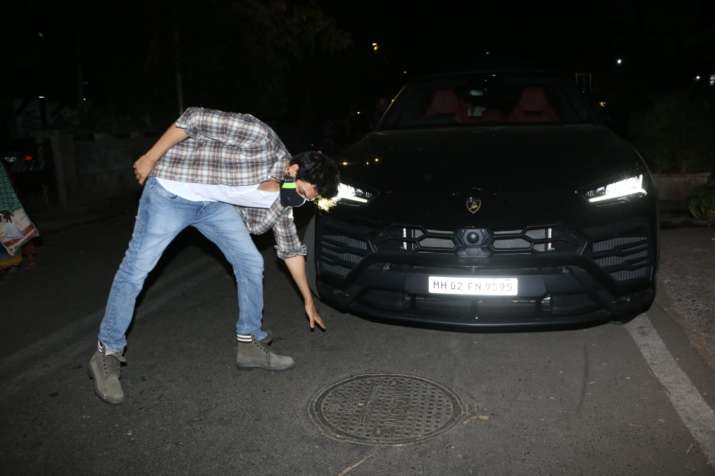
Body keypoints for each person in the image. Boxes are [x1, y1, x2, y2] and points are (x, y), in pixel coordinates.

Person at [89, 107, 339, 404]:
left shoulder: (285, 197)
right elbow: (193, 118)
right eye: (302, 192)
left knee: (250, 261)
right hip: (171, 191)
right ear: (294, 170)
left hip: (213, 205)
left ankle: (248, 343)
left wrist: (308, 300)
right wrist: (150, 157)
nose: (298, 199)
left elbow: (290, 249)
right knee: (136, 269)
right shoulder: (259, 137)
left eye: (306, 199)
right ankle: (107, 352)